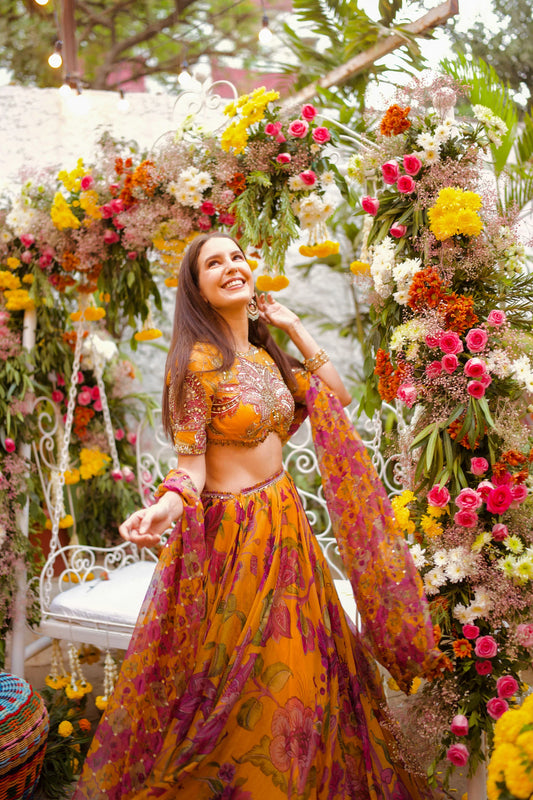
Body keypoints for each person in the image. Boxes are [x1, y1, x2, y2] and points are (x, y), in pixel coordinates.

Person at [74, 233, 443, 800]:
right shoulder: (194, 368)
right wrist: (165, 505)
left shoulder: (266, 355)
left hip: (287, 526)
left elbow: (334, 397)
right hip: (236, 545)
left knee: (310, 673)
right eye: (212, 263)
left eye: (237, 257)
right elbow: (190, 468)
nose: (230, 267)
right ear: (196, 290)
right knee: (246, 689)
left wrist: (292, 326)